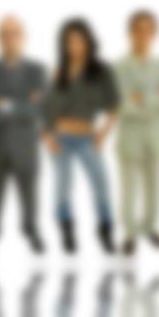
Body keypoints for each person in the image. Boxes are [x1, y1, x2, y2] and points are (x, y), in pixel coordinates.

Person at [43, 18, 120, 255]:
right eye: (69, 42)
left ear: (88, 42)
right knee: (62, 186)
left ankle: (105, 228)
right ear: (64, 45)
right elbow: (45, 110)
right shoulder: (59, 72)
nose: (75, 46)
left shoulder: (102, 71)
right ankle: (67, 228)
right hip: (60, 137)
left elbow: (115, 106)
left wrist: (103, 134)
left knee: (101, 182)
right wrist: (46, 136)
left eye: (79, 40)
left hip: (87, 137)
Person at [0, 15, 48, 255]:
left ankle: (31, 229)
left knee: (29, 194)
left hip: (25, 147)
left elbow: (39, 109)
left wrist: (3, 105)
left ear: (23, 37)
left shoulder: (37, 71)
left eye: (14, 33)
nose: (9, 39)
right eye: (4, 34)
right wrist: (21, 105)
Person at [113, 10, 159, 256]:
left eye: (148, 29)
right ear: (130, 33)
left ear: (155, 34)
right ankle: (129, 234)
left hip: (156, 137)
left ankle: (150, 227)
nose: (143, 34)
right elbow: (120, 105)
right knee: (128, 189)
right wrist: (154, 100)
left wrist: (141, 99)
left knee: (155, 188)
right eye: (138, 29)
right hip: (129, 139)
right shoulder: (118, 66)